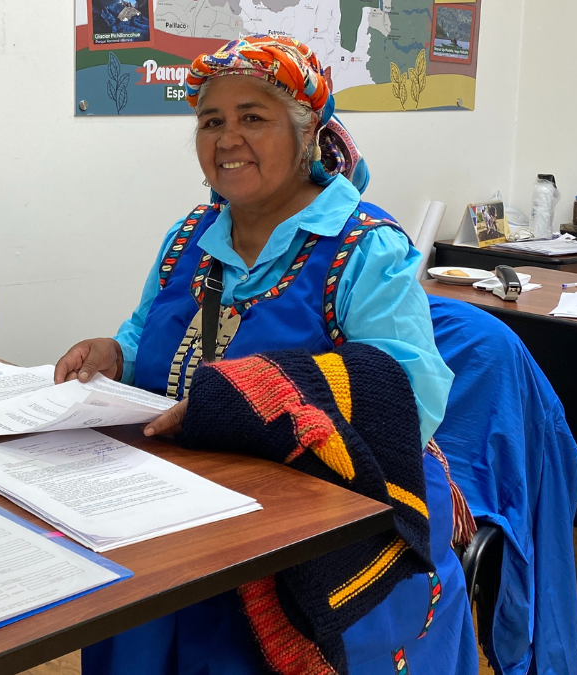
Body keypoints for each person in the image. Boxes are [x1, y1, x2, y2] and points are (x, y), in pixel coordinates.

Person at [55, 36, 478, 674]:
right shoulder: (188, 239)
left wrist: (253, 403)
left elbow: (407, 399)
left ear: (308, 134)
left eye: (253, 117)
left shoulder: (365, 249)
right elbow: (148, 336)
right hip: (174, 514)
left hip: (308, 542)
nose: (227, 139)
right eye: (210, 121)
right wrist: (114, 352)